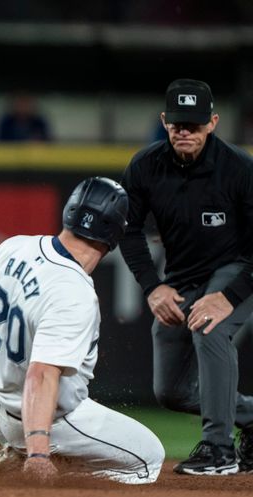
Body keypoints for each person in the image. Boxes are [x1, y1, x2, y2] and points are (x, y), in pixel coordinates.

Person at [0, 177, 164, 484]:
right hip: (38, 416)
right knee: (149, 459)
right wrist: (39, 453)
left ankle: (11, 456)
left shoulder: (16, 247)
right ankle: (36, 466)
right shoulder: (73, 291)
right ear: (115, 233)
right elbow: (41, 375)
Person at [118, 78, 253, 476]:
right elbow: (126, 229)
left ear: (213, 123)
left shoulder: (239, 169)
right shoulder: (145, 167)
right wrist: (152, 286)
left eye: (193, 124)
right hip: (181, 277)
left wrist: (229, 295)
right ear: (164, 121)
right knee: (172, 392)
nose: (184, 132)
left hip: (239, 272)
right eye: (177, 124)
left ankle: (218, 449)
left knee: (209, 327)